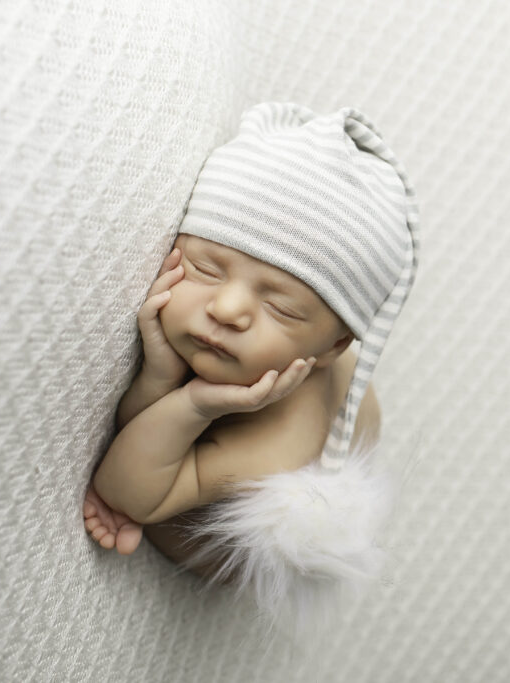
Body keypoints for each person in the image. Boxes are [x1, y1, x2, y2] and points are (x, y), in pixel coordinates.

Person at [81, 101, 420, 643]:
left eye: (281, 308)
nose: (228, 309)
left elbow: (124, 490)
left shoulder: (278, 447)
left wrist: (194, 403)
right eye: (207, 267)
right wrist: (160, 375)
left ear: (332, 348)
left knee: (160, 465)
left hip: (215, 550)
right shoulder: (274, 343)